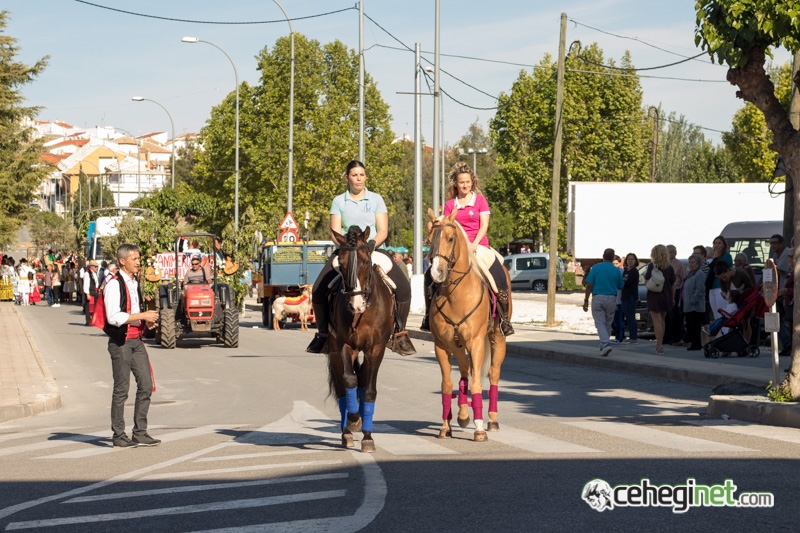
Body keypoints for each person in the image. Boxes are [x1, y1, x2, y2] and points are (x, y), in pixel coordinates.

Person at [306, 160, 417, 356]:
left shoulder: (375, 200)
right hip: (347, 251)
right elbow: (335, 231)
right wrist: (346, 246)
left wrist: (371, 244)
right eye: (354, 175)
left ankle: (400, 334)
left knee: (404, 288)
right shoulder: (339, 201)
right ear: (347, 177)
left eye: (362, 175)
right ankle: (323, 335)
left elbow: (383, 230)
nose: (359, 178)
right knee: (318, 289)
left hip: (372, 250)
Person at [420, 162, 515, 336]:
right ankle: (428, 316)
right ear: (455, 184)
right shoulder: (450, 205)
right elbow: (445, 227)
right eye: (461, 182)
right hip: (455, 249)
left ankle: (504, 320)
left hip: (479, 246)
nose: (464, 185)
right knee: (429, 276)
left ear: (472, 183)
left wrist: (474, 244)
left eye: (467, 182)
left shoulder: (480, 200)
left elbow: (484, 226)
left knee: (499, 277)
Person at [103, 243, 161, 448]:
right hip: (121, 342)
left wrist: (145, 320)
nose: (138, 262)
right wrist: (142, 315)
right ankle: (119, 434)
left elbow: (133, 310)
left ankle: (140, 431)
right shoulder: (113, 283)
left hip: (137, 339)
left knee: (146, 385)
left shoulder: (134, 282)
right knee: (122, 389)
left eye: (138, 258)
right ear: (122, 261)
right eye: (134, 259)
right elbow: (113, 317)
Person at [582, 248, 624, 356]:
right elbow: (621, 286)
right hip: (611, 298)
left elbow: (589, 285)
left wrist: (586, 300)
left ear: (603, 256)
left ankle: (605, 344)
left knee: (599, 322)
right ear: (613, 257)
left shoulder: (596, 268)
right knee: (608, 323)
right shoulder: (616, 270)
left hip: (598, 297)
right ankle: (603, 345)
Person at [645, 244, 676, 355]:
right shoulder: (670, 267)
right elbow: (673, 284)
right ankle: (660, 343)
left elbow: (647, 281)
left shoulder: (651, 266)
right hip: (666, 296)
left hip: (654, 296)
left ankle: (659, 345)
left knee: (656, 321)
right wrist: (672, 298)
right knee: (662, 320)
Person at [715, 261, 755, 343]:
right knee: (732, 323)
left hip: (745, 300)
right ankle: (730, 345)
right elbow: (724, 290)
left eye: (725, 277)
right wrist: (725, 295)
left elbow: (751, 287)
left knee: (746, 322)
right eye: (722, 278)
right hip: (733, 301)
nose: (724, 279)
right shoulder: (722, 279)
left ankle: (746, 344)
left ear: (728, 270)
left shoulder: (741, 273)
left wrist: (740, 292)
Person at [770, 234, 792, 356]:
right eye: (771, 243)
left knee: (783, 320)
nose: (773, 245)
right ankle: (787, 344)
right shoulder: (775, 256)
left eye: (775, 243)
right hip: (779, 292)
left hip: (786, 291)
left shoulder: (787, 253)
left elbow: (775, 271)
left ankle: (789, 344)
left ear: (781, 243)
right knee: (777, 319)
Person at [705, 235, 733, 323]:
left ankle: (724, 334)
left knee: (722, 314)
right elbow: (710, 272)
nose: (717, 245)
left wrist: (716, 259)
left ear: (724, 245)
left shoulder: (726, 256)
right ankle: (718, 335)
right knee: (715, 315)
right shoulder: (713, 258)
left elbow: (720, 272)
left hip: (720, 287)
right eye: (715, 243)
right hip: (712, 287)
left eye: (719, 243)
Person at [682, 253, 707, 351]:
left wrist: (692, 300)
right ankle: (693, 343)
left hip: (695, 306)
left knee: (695, 327)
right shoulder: (690, 274)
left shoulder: (699, 274)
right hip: (688, 305)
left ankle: (696, 345)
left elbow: (700, 290)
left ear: (698, 263)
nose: (691, 264)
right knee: (690, 326)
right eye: (689, 262)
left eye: (693, 262)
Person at [664, 245, 687, 346]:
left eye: (670, 252)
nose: (668, 254)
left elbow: (684, 278)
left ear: (674, 253)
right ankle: (666, 338)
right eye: (666, 252)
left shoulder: (679, 264)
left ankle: (676, 338)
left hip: (676, 291)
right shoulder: (663, 264)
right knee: (665, 316)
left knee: (674, 316)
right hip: (664, 292)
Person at [619, 253, 640, 345]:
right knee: (627, 316)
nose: (630, 261)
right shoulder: (626, 271)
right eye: (628, 259)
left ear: (635, 261)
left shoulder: (634, 271)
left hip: (631, 296)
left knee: (631, 317)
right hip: (625, 296)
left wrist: (621, 284)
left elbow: (626, 283)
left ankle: (633, 337)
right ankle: (631, 336)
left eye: (632, 259)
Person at [781, 248, 794, 357]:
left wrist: (788, 291)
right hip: (790, 307)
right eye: (789, 256)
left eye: (792, 256)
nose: (790, 259)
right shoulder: (791, 271)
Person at [83, 260, 100, 326]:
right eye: (95, 266)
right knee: (89, 307)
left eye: (97, 266)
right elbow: (86, 284)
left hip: (95, 292)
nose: (97, 268)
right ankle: (88, 321)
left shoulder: (94, 273)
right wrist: (87, 294)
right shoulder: (87, 273)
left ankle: (93, 320)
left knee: (94, 307)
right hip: (90, 292)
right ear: (92, 266)